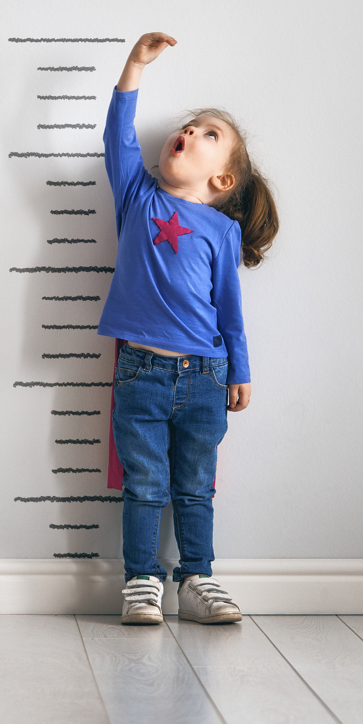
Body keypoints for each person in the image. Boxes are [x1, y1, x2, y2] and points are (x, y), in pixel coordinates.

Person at [98, 32, 279, 625]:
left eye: (210, 134)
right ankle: (141, 582)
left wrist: (241, 370)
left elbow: (230, 311)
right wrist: (134, 67)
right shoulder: (137, 197)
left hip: (205, 376)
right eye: (191, 126)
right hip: (141, 374)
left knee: (196, 487)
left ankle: (197, 578)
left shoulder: (221, 233)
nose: (192, 133)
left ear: (222, 181)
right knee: (146, 485)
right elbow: (118, 139)